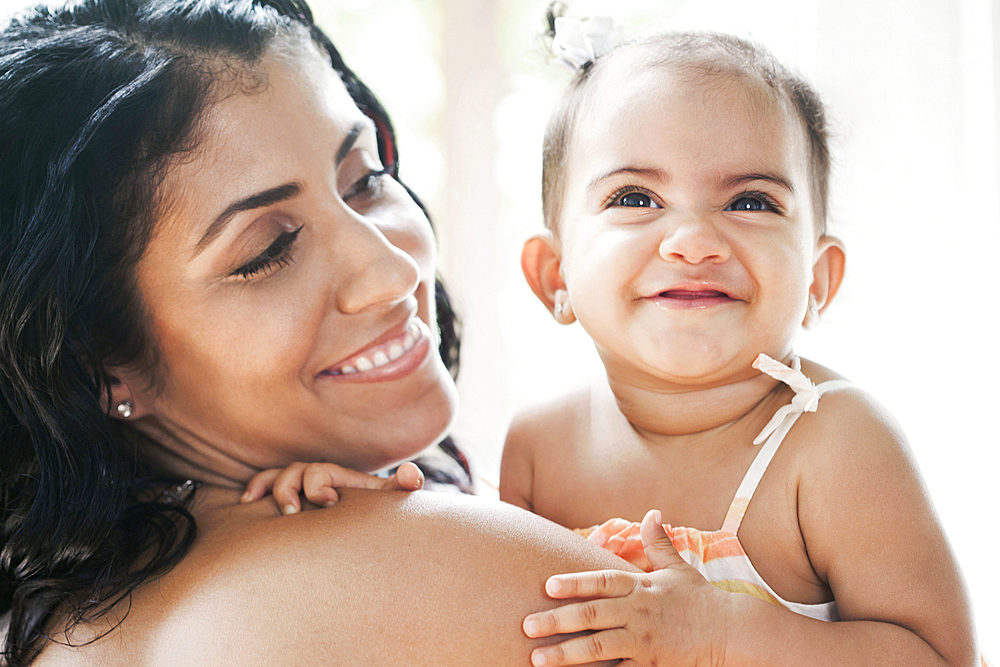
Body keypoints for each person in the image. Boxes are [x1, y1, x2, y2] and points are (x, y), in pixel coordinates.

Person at [0, 1, 640, 664]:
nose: (391, 269)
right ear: (98, 358)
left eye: (365, 180)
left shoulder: (45, 629)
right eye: (268, 250)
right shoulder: (468, 580)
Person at [495, 16, 984, 667]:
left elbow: (940, 656)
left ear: (817, 279)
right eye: (636, 196)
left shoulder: (835, 445)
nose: (694, 240)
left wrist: (726, 632)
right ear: (554, 276)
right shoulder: (538, 449)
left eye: (751, 202)